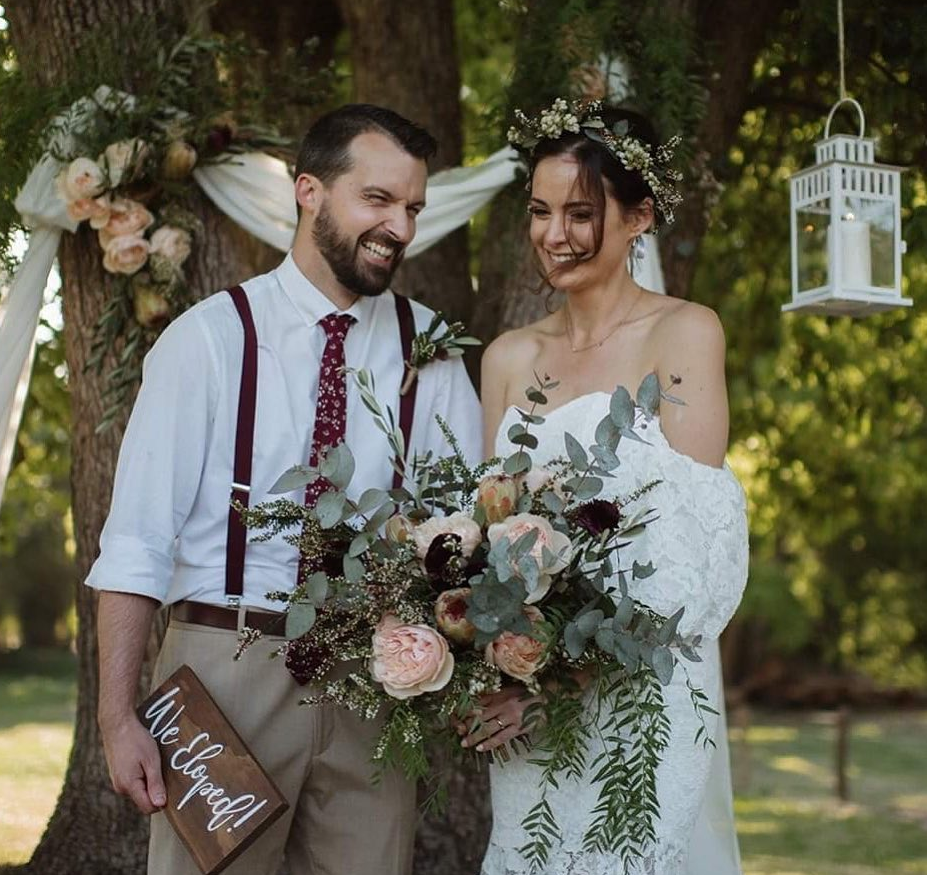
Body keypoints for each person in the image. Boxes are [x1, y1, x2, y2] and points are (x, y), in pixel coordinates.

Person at [87, 103, 481, 875]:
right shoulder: (207, 339)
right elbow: (135, 541)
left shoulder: (428, 352)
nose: (398, 226)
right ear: (308, 190)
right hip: (223, 671)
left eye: (412, 207)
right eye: (377, 199)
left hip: (374, 680)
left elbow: (465, 531)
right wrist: (115, 716)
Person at [469, 100, 748, 874]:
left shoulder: (684, 332)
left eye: (579, 212)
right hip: (526, 709)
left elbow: (693, 550)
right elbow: (488, 531)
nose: (552, 235)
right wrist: (482, 651)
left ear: (638, 217)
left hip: (641, 698)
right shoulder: (506, 358)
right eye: (538, 211)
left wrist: (564, 677)